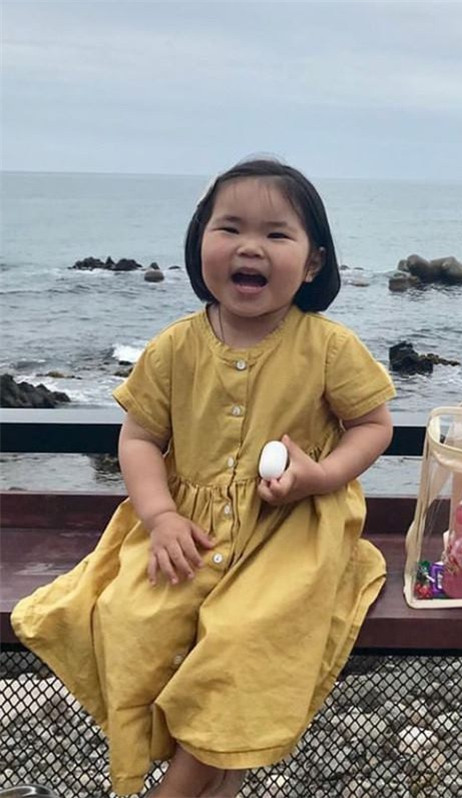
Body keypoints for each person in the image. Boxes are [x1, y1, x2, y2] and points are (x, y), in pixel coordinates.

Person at [11, 158, 396, 797]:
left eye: (276, 234)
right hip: (187, 529)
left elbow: (373, 425)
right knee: (130, 619)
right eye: (230, 228)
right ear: (199, 246)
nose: (250, 246)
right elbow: (139, 438)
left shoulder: (327, 347)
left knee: (245, 637)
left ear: (312, 263)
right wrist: (160, 516)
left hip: (289, 530)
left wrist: (321, 474)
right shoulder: (174, 347)